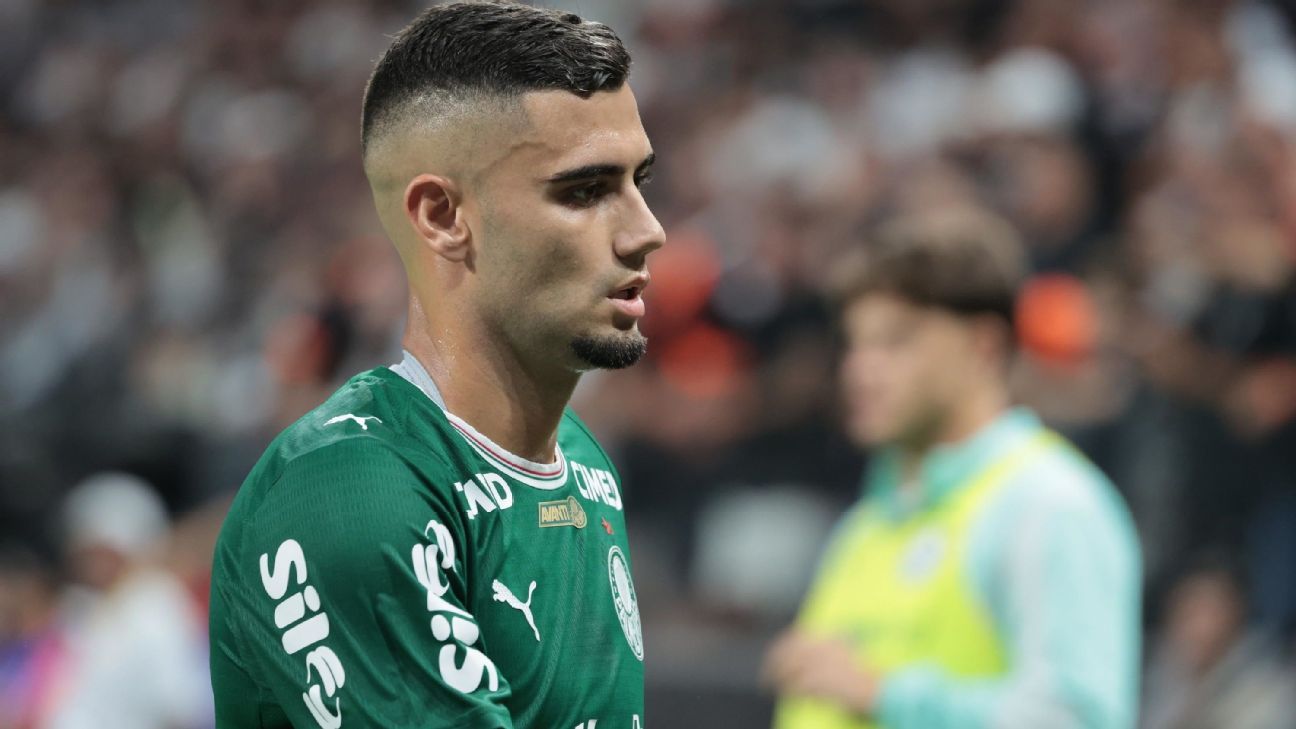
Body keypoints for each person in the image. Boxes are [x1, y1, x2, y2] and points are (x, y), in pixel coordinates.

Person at [208, 2, 663, 728]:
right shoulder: (351, 491)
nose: (647, 231)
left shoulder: (581, 461)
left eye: (640, 181)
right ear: (443, 217)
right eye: (584, 191)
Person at [762, 208, 1141, 728]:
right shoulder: (865, 526)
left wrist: (882, 693)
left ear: (983, 345)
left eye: (895, 340)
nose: (860, 369)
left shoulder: (1049, 505)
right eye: (855, 343)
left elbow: (1078, 720)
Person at [1141, 555, 1296, 729]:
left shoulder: (1264, 687)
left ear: (1236, 614)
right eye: (1187, 611)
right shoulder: (1152, 672)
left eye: (1207, 613)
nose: (1196, 627)